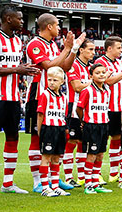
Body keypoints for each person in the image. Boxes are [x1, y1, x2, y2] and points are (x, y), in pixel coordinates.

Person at [0, 3, 40, 194]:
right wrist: (16, 69)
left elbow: (14, 67)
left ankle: (8, 183)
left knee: (13, 137)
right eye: (19, 18)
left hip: (13, 98)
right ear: (8, 19)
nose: (22, 22)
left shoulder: (17, 41)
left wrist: (24, 68)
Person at [24, 13, 84, 193]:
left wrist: (73, 50)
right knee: (37, 138)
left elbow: (64, 68)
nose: (60, 29)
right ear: (49, 26)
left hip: (57, 98)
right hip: (38, 96)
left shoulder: (53, 45)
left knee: (58, 138)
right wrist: (66, 48)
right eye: (57, 25)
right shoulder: (35, 44)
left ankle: (52, 179)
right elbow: (49, 67)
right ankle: (38, 182)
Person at [94, 36, 122, 185]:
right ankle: (95, 173)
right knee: (101, 141)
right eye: (119, 47)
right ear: (109, 48)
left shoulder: (119, 62)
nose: (121, 50)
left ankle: (114, 173)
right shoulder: (101, 62)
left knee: (116, 138)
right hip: (105, 107)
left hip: (118, 107)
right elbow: (108, 81)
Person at [76, 63, 112, 194]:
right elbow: (79, 108)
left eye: (103, 72)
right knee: (91, 155)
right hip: (91, 126)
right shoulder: (87, 91)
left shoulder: (106, 91)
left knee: (100, 154)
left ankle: (96, 183)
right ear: (91, 76)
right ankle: (88, 185)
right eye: (98, 73)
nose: (101, 75)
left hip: (104, 125)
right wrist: (83, 121)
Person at [64, 39, 95, 187]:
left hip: (87, 109)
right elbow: (77, 87)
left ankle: (82, 176)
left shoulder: (89, 67)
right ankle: (68, 177)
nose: (93, 53)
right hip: (74, 107)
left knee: (83, 142)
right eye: (90, 49)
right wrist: (93, 81)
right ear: (81, 50)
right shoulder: (73, 65)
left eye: (94, 50)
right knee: (72, 141)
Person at [36, 67, 70, 197]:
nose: (51, 82)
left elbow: (64, 115)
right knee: (46, 157)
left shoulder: (64, 97)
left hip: (60, 129)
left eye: (55, 80)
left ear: (61, 82)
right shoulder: (45, 94)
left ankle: (55, 186)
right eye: (49, 79)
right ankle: (45, 187)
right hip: (48, 128)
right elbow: (40, 114)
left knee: (56, 158)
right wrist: (41, 132)